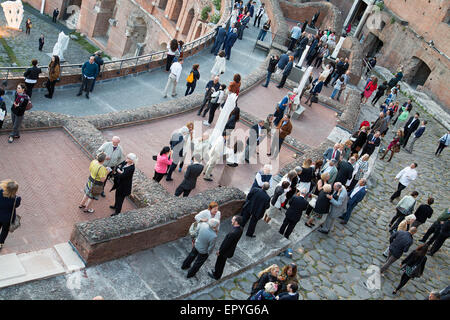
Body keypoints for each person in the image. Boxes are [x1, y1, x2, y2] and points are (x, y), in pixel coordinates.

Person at [208, 215, 243, 280]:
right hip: (230, 250)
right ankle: (216, 272)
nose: (231, 220)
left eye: (233, 219)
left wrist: (220, 251)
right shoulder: (240, 229)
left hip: (225, 252)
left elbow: (226, 244)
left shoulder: (233, 233)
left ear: (236, 222)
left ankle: (216, 275)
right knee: (221, 263)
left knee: (220, 263)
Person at [0, 180, 21, 250]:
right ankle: (0, 243)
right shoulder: (17, 199)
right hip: (8, 218)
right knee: (4, 231)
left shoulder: (0, 192)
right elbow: (16, 206)